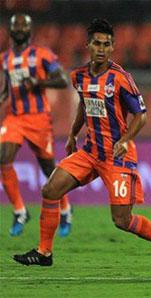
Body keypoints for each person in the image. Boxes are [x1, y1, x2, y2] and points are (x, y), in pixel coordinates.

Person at [13, 19, 151, 268]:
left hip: (117, 155)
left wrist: (125, 140)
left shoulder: (121, 78)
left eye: (107, 44)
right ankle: (44, 252)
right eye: (97, 43)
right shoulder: (78, 76)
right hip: (90, 152)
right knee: (50, 190)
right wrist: (72, 134)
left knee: (122, 220)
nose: (101, 48)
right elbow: (84, 102)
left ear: (112, 48)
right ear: (88, 45)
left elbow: (141, 116)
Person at [0, 14, 73, 237]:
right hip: (15, 118)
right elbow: (7, 89)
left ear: (30, 31)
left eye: (24, 26)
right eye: (16, 25)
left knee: (49, 169)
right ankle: (20, 211)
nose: (20, 29)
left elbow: (62, 79)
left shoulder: (42, 55)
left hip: (39, 119)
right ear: (10, 30)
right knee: (3, 158)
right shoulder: (4, 59)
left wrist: (39, 82)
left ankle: (66, 210)